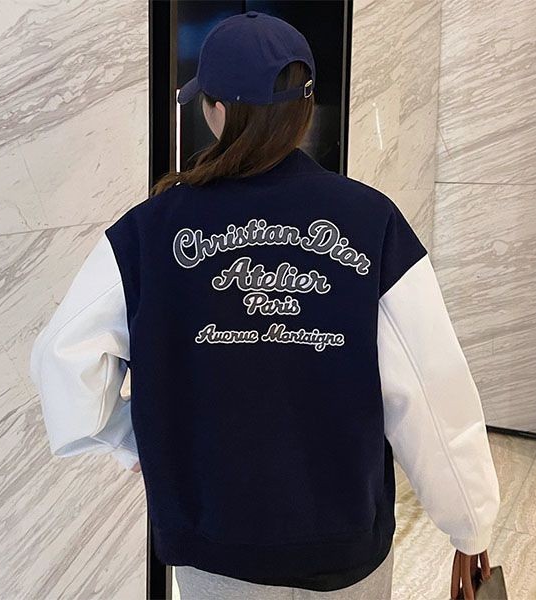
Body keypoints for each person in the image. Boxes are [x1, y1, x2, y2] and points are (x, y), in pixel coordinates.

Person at [29, 10, 500, 600]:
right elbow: (431, 392)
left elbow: (62, 359)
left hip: (214, 549)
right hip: (344, 546)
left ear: (216, 110)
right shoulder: (371, 221)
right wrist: (470, 523)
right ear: (305, 109)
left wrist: (135, 439)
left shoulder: (149, 232)